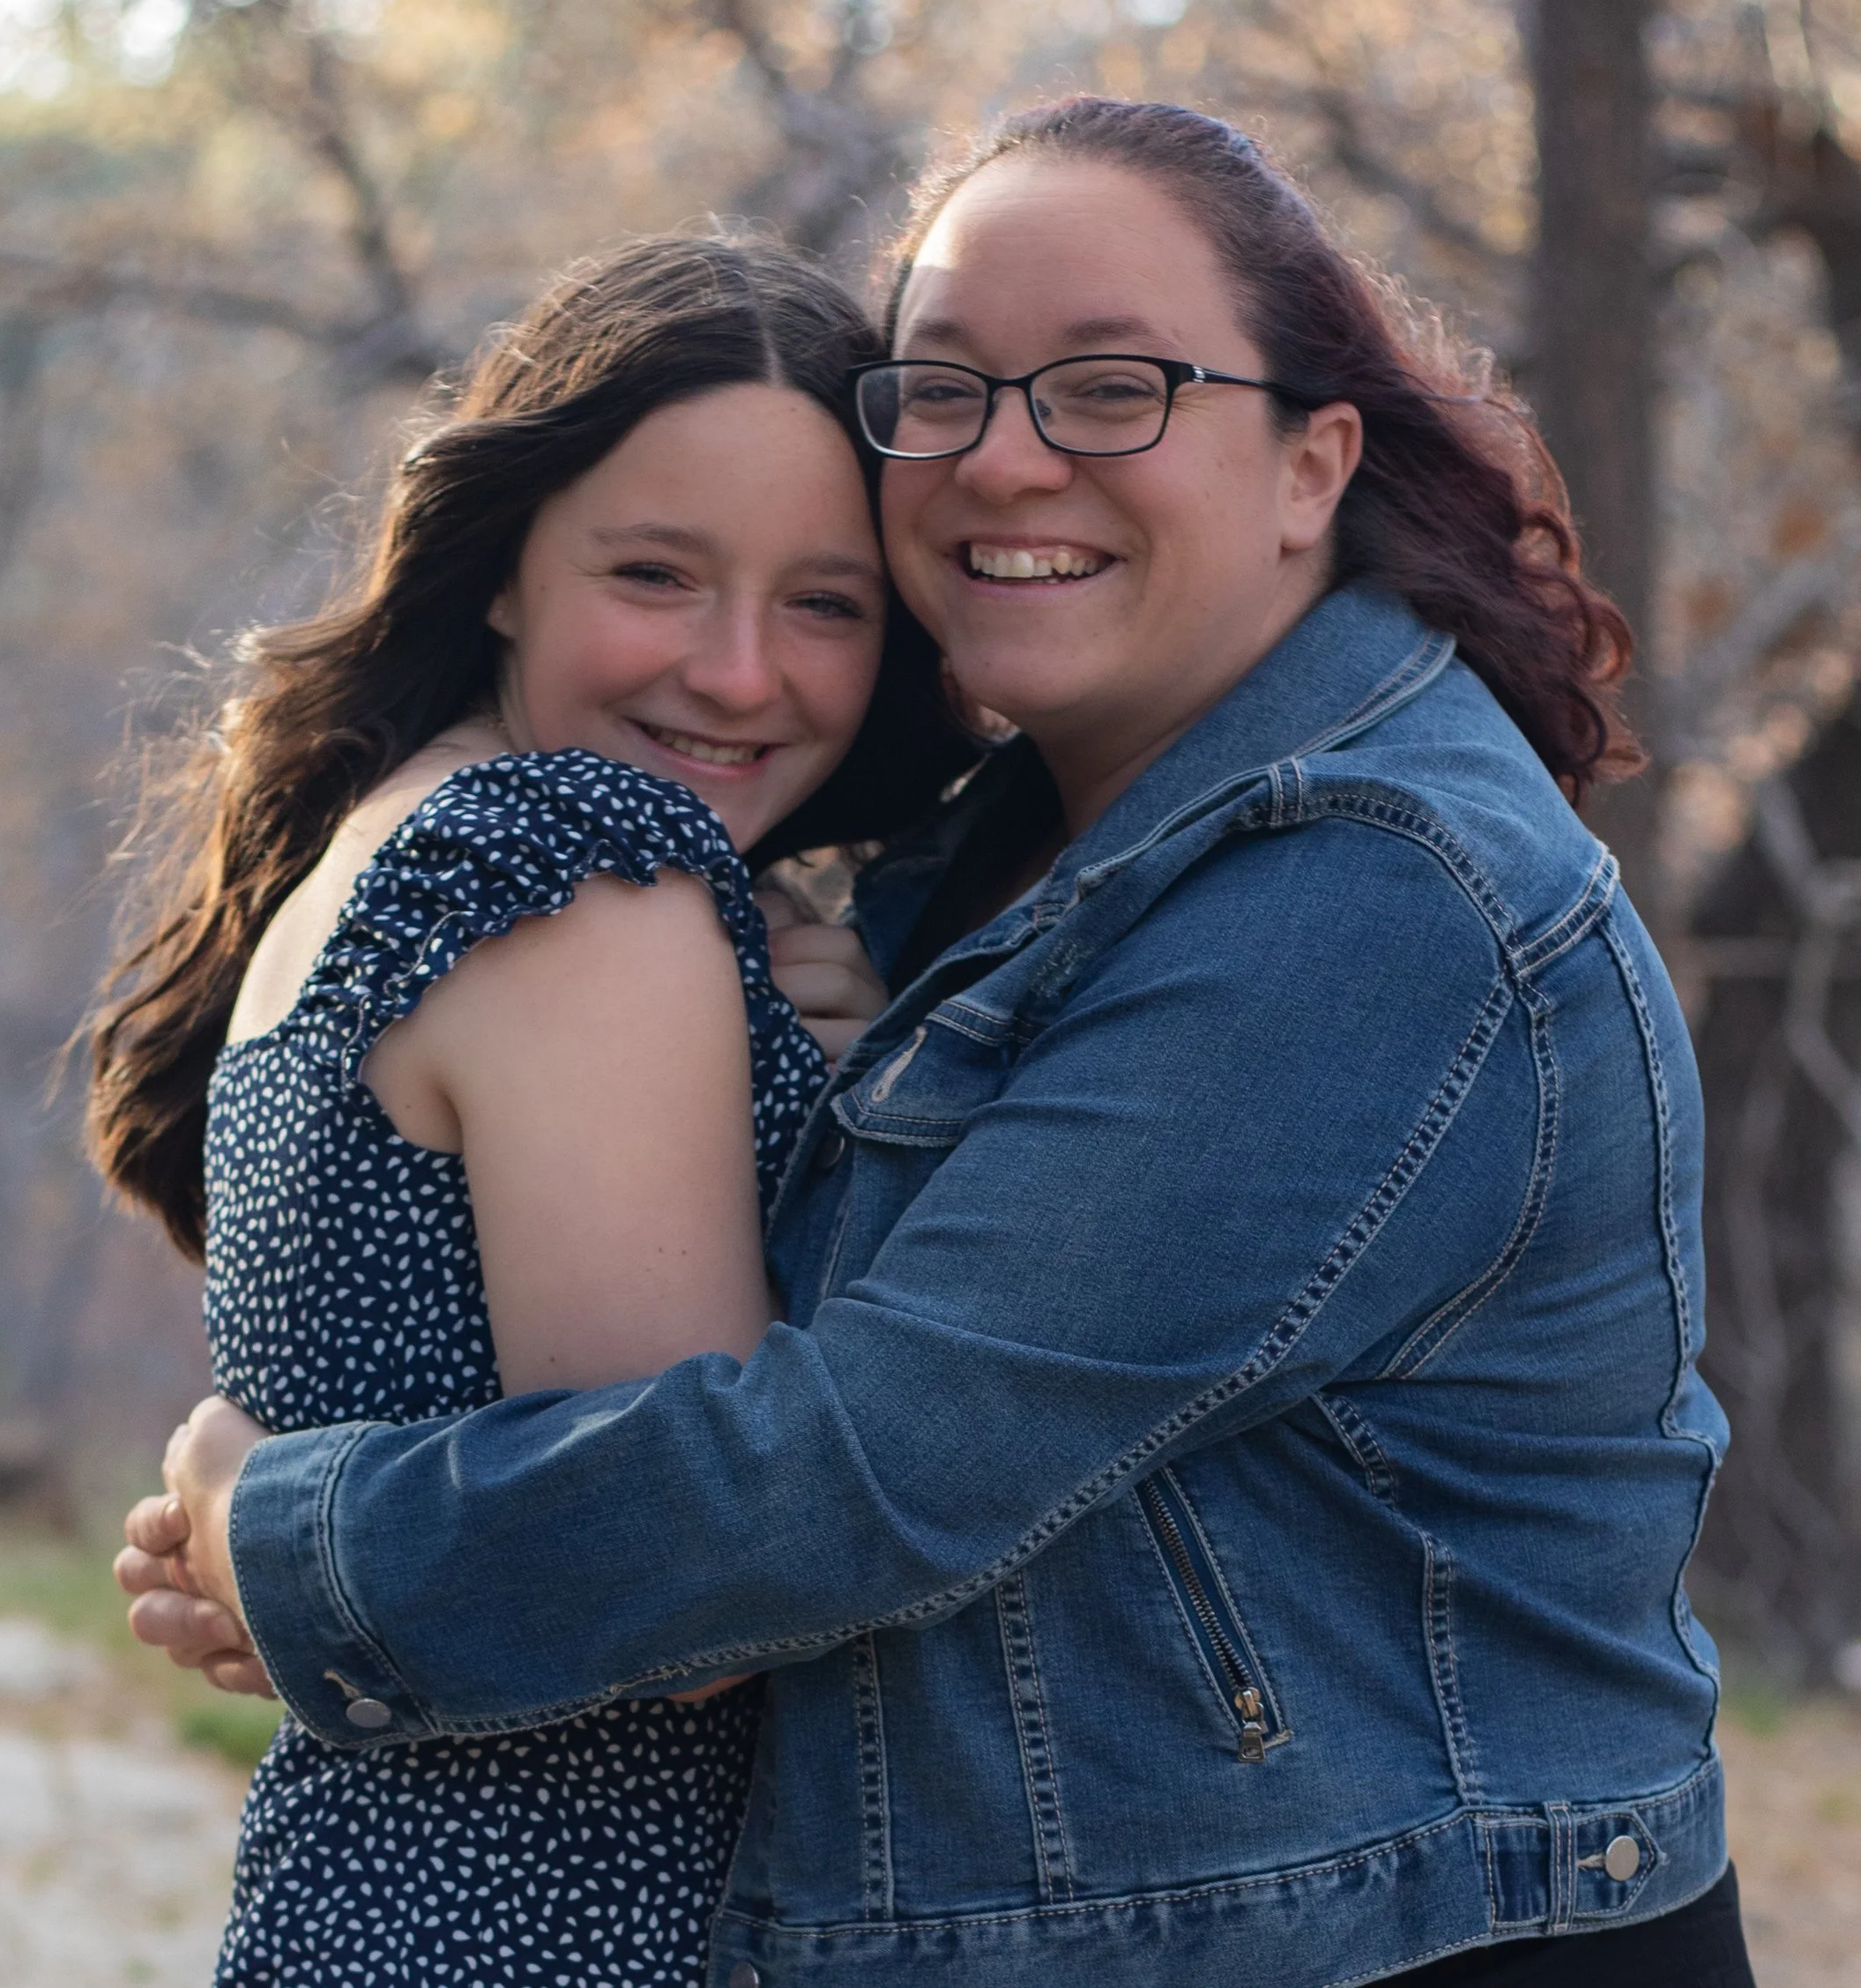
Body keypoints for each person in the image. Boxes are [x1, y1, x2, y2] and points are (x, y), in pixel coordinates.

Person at [121, 100, 1758, 1986]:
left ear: (1312, 464)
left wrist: (290, 1531)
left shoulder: (1362, 881)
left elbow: (859, 1473)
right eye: (946, 387)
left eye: (1106, 387)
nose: (1004, 457)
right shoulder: (990, 855)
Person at [86, 233, 974, 1986]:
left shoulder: (408, 842)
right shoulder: (574, 858)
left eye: (823, 602)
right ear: (501, 566)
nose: (737, 673)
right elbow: (688, 1578)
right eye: (655, 572)